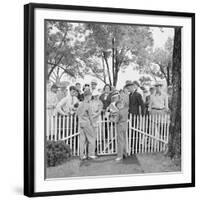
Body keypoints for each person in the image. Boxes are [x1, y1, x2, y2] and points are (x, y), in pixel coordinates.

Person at [76, 90, 96, 160]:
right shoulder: (88, 104)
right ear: (87, 96)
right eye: (90, 96)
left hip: (81, 123)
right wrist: (93, 123)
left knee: (82, 140)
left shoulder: (80, 104)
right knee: (91, 138)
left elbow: (77, 113)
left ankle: (82, 155)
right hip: (87, 123)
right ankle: (91, 154)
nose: (91, 97)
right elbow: (90, 116)